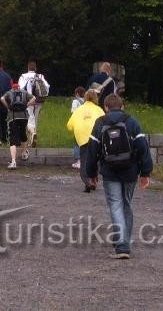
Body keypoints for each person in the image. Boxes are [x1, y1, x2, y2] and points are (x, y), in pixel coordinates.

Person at [85, 93, 153, 259]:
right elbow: (143, 147)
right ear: (122, 106)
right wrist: (145, 172)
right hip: (130, 170)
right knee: (126, 204)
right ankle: (124, 241)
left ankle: (121, 245)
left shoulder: (100, 123)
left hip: (110, 171)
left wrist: (91, 174)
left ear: (105, 108)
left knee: (115, 204)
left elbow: (92, 151)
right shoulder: (132, 122)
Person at [66, 89, 104, 192]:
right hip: (96, 138)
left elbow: (69, 126)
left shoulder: (79, 109)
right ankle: (93, 180)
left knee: (84, 161)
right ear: (96, 98)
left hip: (83, 139)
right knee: (95, 160)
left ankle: (87, 182)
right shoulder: (99, 110)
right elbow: (105, 123)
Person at [0, 82, 36, 169]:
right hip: (24, 117)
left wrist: (8, 106)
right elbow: (34, 98)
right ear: (19, 87)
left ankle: (13, 161)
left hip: (12, 117)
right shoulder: (24, 92)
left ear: (12, 87)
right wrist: (27, 105)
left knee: (12, 139)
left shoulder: (9, 92)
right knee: (23, 134)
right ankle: (24, 153)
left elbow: (2, 98)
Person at [18, 60, 49, 149]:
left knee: (29, 119)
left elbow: (20, 89)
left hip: (28, 100)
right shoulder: (40, 76)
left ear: (28, 68)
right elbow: (47, 87)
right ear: (35, 68)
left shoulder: (23, 76)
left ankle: (32, 133)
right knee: (35, 119)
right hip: (39, 100)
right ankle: (32, 140)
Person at [70, 86, 86, 168]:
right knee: (85, 142)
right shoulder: (87, 102)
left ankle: (78, 161)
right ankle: (85, 160)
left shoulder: (75, 101)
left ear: (77, 94)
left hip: (78, 124)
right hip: (87, 124)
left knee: (77, 142)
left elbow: (73, 112)